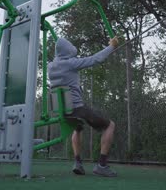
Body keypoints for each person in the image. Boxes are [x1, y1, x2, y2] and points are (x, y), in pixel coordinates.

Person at [48, 36, 119, 177]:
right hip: (76, 108)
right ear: (68, 50)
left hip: (62, 110)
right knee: (109, 125)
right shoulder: (70, 64)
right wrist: (111, 46)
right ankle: (102, 165)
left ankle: (78, 163)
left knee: (78, 127)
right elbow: (95, 59)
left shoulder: (51, 66)